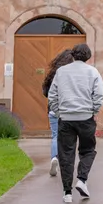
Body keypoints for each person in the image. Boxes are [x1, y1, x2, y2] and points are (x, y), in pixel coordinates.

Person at [46, 43, 103, 203]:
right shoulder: (93, 72)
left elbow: (52, 95)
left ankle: (67, 193)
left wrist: (59, 112)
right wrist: (93, 111)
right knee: (88, 151)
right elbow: (98, 94)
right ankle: (82, 180)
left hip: (66, 119)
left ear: (73, 55)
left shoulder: (61, 72)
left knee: (66, 155)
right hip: (85, 118)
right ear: (88, 56)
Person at [41, 49, 75, 178]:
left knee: (56, 136)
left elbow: (45, 92)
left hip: (54, 110)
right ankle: (66, 164)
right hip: (70, 110)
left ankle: (54, 157)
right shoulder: (72, 74)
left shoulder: (52, 74)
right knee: (70, 139)